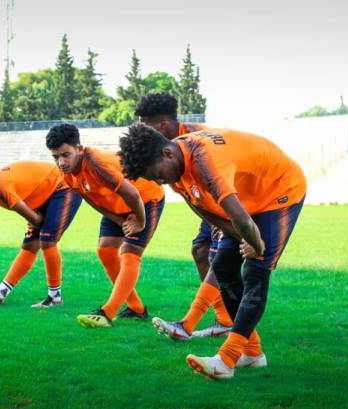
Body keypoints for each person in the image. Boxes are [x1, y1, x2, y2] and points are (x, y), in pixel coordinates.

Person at [119, 124, 306, 379]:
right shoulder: (176, 168)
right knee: (223, 267)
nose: (159, 182)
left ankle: (226, 360)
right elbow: (205, 212)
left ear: (167, 153)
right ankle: (252, 353)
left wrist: (256, 244)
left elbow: (241, 218)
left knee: (256, 271)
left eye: (157, 175)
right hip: (248, 200)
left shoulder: (207, 163)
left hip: (280, 190)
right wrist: (245, 238)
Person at [46, 124, 165, 328]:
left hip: (145, 199)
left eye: (66, 155)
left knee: (129, 253)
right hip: (117, 206)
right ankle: (137, 309)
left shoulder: (96, 164)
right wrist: (118, 220)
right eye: (56, 157)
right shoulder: (67, 173)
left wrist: (140, 221)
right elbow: (90, 199)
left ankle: (107, 313)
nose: (61, 162)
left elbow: (132, 194)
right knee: (105, 251)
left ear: (79, 149)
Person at [135, 92, 232, 339]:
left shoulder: (195, 138)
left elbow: (220, 178)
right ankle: (224, 320)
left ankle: (187, 325)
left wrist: (221, 219)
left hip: (228, 200)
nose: (143, 130)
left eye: (146, 124)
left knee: (220, 257)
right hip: (207, 204)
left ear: (162, 125)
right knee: (200, 250)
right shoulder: (165, 148)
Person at [0, 153, 82, 308]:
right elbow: (28, 201)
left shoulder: (0, 186)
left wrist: (34, 220)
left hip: (64, 187)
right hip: (47, 193)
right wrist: (33, 219)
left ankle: (55, 298)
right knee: (30, 245)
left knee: (47, 241)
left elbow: (36, 220)